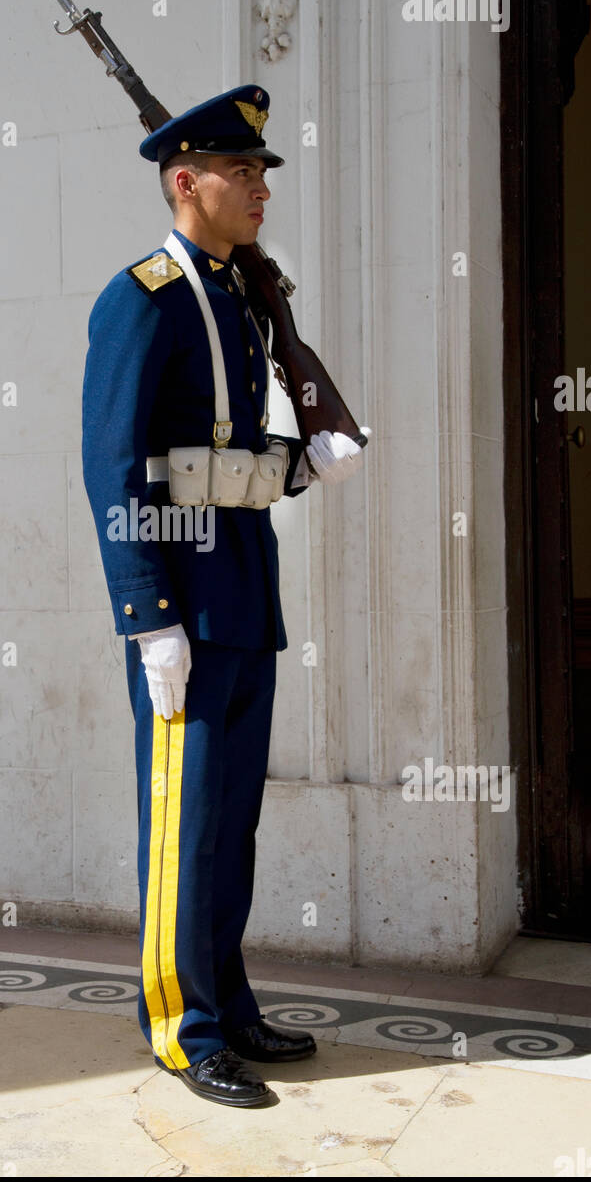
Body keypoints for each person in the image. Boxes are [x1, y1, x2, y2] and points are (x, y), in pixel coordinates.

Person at [81, 85, 365, 1108]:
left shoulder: (242, 298)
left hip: (244, 584)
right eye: (240, 172)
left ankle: (230, 1003)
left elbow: (229, 453)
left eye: (261, 172)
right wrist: (143, 615)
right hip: (181, 605)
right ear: (183, 180)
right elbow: (113, 467)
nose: (258, 189)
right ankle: (181, 1027)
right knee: (182, 823)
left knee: (231, 818)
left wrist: (302, 455)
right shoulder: (142, 297)